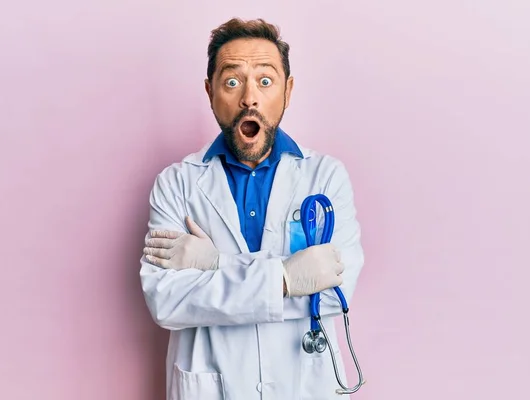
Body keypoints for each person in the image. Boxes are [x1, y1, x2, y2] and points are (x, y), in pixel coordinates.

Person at [139, 17, 365, 400]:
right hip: (214, 386)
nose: (249, 97)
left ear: (287, 91)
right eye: (231, 81)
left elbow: (335, 291)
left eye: (265, 80)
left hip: (305, 384)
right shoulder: (175, 184)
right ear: (210, 92)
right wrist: (287, 280)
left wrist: (214, 265)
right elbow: (167, 301)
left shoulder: (325, 177)